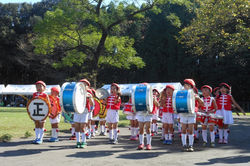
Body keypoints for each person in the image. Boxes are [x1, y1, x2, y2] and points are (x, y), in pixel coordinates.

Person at [179, 79, 203, 152]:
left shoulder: (195, 94)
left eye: (188, 85)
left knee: (190, 129)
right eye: (185, 85)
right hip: (183, 113)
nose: (186, 86)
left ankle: (190, 145)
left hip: (191, 114)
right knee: (183, 129)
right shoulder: (181, 94)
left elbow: (202, 104)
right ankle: (184, 145)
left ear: (191, 87)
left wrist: (198, 98)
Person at [137, 83, 159, 150]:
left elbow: (158, 105)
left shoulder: (151, 96)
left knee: (148, 129)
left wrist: (154, 99)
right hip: (141, 113)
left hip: (148, 114)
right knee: (141, 129)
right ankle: (141, 143)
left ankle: (148, 144)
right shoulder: (138, 95)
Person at [73, 79, 93, 148]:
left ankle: (84, 141)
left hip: (85, 111)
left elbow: (92, 104)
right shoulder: (76, 92)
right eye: (82, 84)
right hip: (77, 110)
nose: (83, 86)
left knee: (82, 127)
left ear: (88, 86)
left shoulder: (89, 93)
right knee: (77, 127)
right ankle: (78, 141)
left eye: (85, 85)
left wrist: (90, 98)